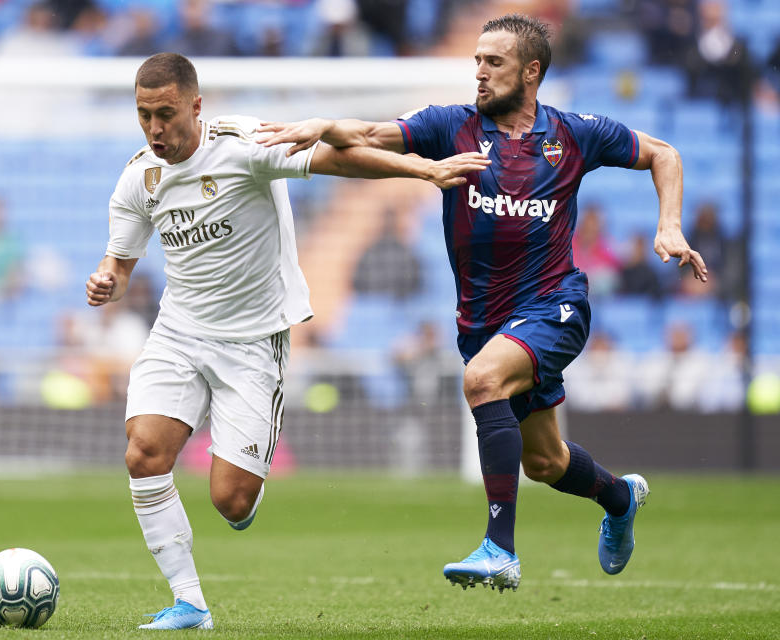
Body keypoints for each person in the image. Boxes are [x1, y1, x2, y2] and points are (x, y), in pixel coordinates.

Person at [259, 13, 707, 593]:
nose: (480, 72)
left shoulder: (575, 134)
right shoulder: (452, 127)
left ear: (531, 71)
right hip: (484, 320)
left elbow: (664, 154)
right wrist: (323, 124)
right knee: (543, 462)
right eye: (476, 60)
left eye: (493, 62)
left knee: (481, 381)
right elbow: (367, 137)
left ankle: (500, 549)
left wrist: (668, 226)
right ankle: (620, 499)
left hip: (555, 306)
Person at [84, 52, 487, 630]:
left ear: (195, 107)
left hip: (252, 341)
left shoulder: (245, 144)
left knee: (232, 501)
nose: (154, 129)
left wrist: (424, 172)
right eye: (144, 115)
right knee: (143, 453)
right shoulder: (137, 177)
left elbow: (338, 161)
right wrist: (107, 281)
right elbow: (119, 265)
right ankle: (189, 602)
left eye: (165, 114)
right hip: (179, 332)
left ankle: (248, 475)